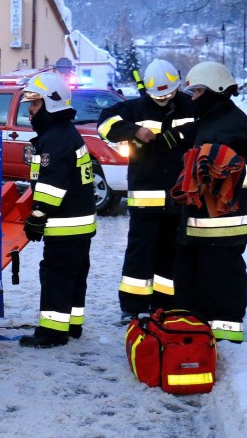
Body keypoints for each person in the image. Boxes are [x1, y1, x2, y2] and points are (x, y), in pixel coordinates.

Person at [170, 61, 247, 343]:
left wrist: (229, 171)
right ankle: (196, 332)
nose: (194, 98)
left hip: (223, 229)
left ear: (215, 90)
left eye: (198, 91)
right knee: (193, 280)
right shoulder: (211, 120)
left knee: (223, 282)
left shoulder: (234, 123)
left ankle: (226, 337)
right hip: (200, 227)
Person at [97, 59, 196, 323]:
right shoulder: (134, 107)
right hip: (145, 200)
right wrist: (133, 131)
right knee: (140, 255)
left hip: (178, 198)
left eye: (169, 92)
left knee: (171, 255)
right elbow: (104, 124)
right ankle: (132, 307)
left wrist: (179, 136)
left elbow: (204, 127)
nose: (164, 98)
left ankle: (165, 305)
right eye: (159, 95)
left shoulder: (190, 105)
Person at [17, 73, 97, 348]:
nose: (30, 110)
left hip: (65, 223)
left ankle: (52, 333)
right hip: (80, 223)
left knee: (56, 277)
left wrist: (38, 215)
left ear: (51, 104)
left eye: (35, 104)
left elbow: (52, 185)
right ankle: (72, 326)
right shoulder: (65, 134)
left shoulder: (56, 139)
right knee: (74, 276)